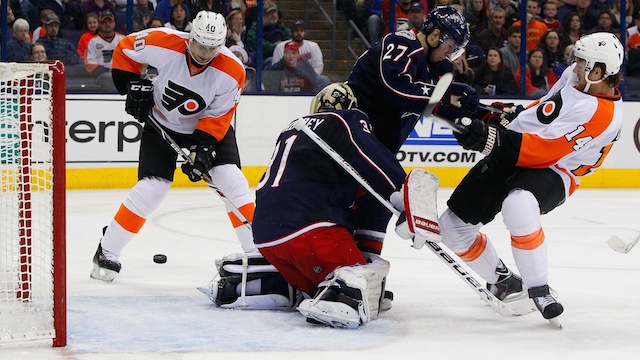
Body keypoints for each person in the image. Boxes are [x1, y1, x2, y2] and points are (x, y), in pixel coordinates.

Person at [437, 32, 624, 325]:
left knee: (519, 205)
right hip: (521, 151)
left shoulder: (603, 114)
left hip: (555, 170)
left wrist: (491, 139)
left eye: (581, 63)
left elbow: (545, 150)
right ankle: (503, 282)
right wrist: (502, 116)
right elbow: (544, 111)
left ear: (597, 71)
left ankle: (539, 288)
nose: (573, 67)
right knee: (452, 229)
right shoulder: (577, 80)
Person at [204, 83, 407, 328]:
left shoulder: (292, 130)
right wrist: (402, 193)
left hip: (267, 237)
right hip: (311, 233)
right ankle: (342, 294)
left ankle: (248, 281)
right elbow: (374, 166)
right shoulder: (345, 121)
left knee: (305, 281)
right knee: (368, 281)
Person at [90, 10, 255, 282]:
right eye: (201, 45)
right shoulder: (162, 42)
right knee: (152, 188)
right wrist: (131, 85)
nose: (204, 53)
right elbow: (126, 48)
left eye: (212, 48)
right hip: (162, 123)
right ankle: (107, 250)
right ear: (190, 39)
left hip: (209, 127)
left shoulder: (232, 70)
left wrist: (204, 150)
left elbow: (217, 117)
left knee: (231, 181)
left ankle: (259, 252)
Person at [346, 6, 479, 153]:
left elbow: (445, 104)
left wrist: (485, 114)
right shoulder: (400, 43)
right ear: (435, 36)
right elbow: (397, 90)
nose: (449, 54)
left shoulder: (439, 65)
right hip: (353, 137)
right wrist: (444, 94)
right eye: (450, 47)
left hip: (383, 147)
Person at [262, 40, 330, 93]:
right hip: (281, 99)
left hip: (302, 99)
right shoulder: (276, 69)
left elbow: (312, 86)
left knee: (324, 80)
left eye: (294, 53)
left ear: (298, 54)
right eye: (288, 53)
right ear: (284, 54)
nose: (291, 56)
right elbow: (272, 90)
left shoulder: (306, 67)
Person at [84, 11, 125, 91]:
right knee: (111, 78)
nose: (107, 24)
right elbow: (89, 66)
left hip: (121, 72)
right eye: (104, 22)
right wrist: (108, 69)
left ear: (114, 23)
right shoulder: (93, 42)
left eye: (110, 22)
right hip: (103, 74)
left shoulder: (122, 39)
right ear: (99, 24)